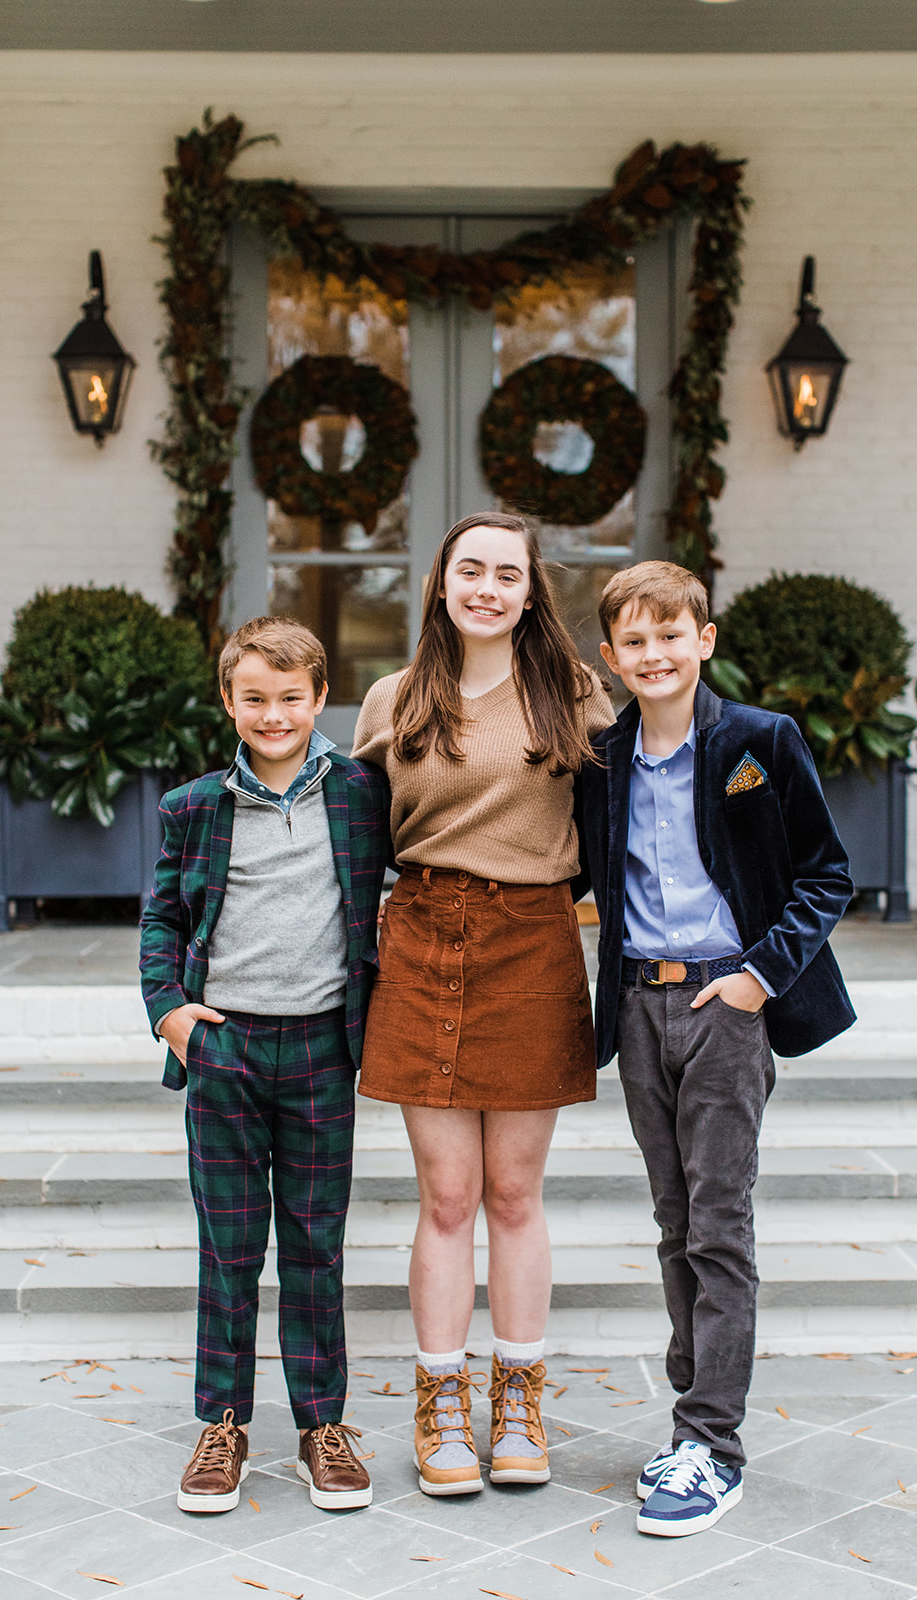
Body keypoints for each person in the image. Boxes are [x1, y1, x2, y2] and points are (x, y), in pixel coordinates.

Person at [576, 560, 855, 1537]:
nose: (652, 654)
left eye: (669, 634)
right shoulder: (603, 761)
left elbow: (826, 872)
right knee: (670, 1218)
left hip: (723, 1002)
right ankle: (690, 1425)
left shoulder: (756, 741)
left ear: (703, 639)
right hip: (639, 1008)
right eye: (633, 641)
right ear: (608, 658)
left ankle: (712, 1445)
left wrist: (755, 976)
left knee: (718, 1225)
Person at [352, 511, 614, 1496]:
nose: (488, 587)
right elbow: (350, 837)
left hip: (534, 941)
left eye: (508, 573)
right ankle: (439, 1405)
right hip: (420, 938)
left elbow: (631, 806)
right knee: (446, 1196)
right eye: (471, 569)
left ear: (529, 591)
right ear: (441, 582)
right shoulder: (392, 698)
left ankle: (517, 1403)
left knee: (512, 1193)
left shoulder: (570, 693)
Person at [139, 616, 391, 1516]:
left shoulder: (363, 795)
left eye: (292, 698)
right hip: (226, 1049)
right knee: (231, 1249)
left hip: (324, 1047)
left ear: (321, 698)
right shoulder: (194, 806)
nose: (274, 714)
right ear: (229, 703)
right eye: (256, 698)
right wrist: (169, 1011)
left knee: (316, 1247)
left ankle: (323, 1426)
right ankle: (224, 1425)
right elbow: (162, 918)